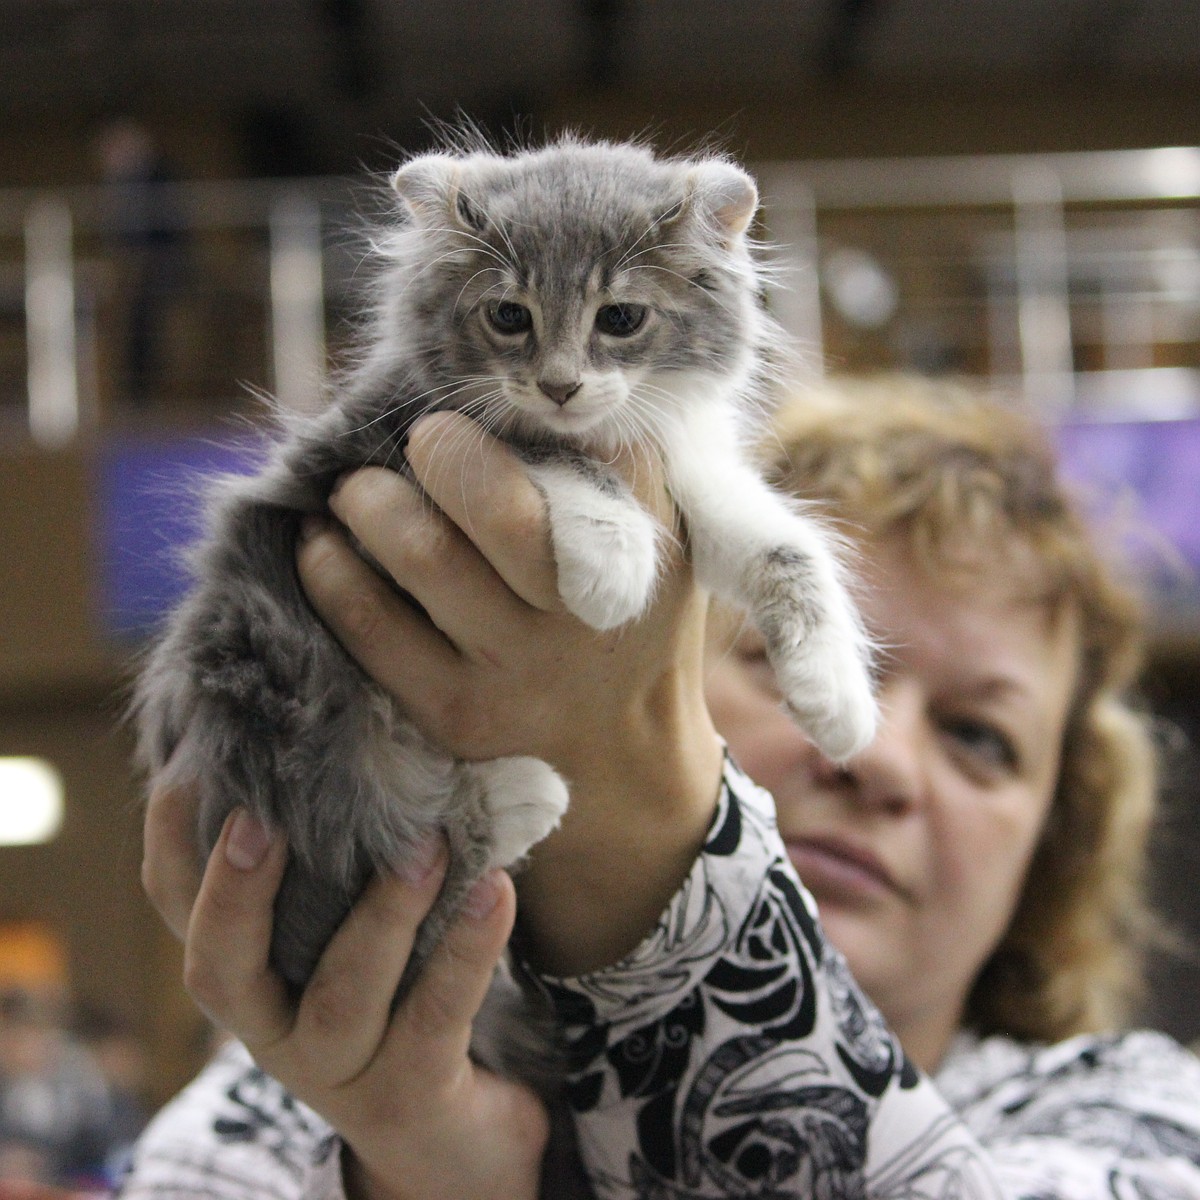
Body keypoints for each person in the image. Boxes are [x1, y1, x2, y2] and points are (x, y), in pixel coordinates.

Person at [120, 376, 1200, 1198]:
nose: (875, 756)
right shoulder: (293, 1096)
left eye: (980, 736)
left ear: (1053, 842)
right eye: (787, 656)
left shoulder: (1140, 1122)